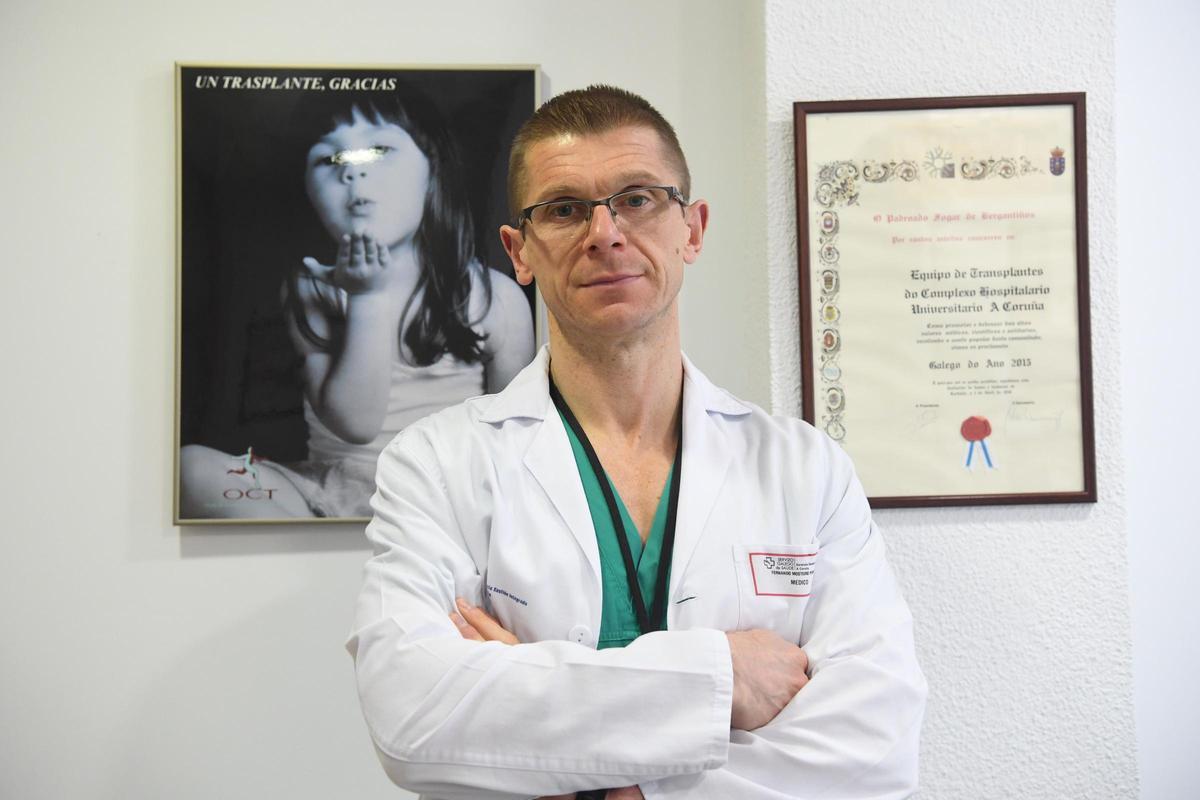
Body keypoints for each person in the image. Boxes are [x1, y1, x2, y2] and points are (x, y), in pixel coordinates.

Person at [348, 85, 926, 799]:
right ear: (519, 251)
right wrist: (724, 678)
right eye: (564, 209)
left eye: (638, 198)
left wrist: (620, 786)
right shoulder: (437, 464)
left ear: (693, 229)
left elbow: (878, 745)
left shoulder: (805, 469)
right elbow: (414, 717)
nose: (605, 233)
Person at [179, 86, 535, 519]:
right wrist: (368, 297)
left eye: (379, 150)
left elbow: (512, 441)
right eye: (330, 159)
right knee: (191, 468)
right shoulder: (311, 288)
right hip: (332, 488)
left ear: (431, 172)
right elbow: (356, 423)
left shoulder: (492, 296)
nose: (351, 172)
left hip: (442, 496)